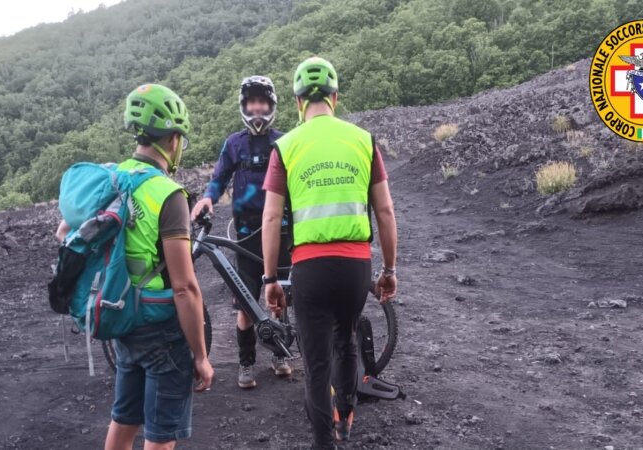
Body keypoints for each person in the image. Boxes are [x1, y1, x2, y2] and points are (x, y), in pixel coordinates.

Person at [56, 84, 214, 450]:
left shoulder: (112, 177)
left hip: (120, 316)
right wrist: (201, 356)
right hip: (160, 327)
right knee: (160, 436)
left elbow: (63, 230)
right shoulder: (168, 194)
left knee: (124, 421)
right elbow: (185, 287)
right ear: (173, 140)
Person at [261, 57, 398, 449]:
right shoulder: (362, 139)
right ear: (335, 98)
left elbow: (271, 219)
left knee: (316, 365)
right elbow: (385, 211)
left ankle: (325, 443)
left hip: (309, 268)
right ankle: (348, 415)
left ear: (298, 102)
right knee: (346, 341)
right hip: (355, 266)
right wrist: (388, 269)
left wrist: (271, 280)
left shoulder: (284, 146)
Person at [191, 76, 293, 389]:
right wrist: (208, 196)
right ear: (244, 106)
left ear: (271, 105)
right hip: (246, 233)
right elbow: (219, 178)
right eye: (252, 102)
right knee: (245, 305)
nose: (257, 107)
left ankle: (280, 355)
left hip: (282, 231)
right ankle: (246, 362)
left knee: (280, 299)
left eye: (262, 102)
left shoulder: (284, 141)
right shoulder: (234, 144)